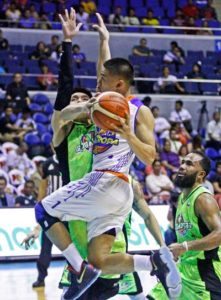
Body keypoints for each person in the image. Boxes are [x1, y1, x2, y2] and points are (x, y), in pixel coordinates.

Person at [35, 8, 181, 300]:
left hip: (106, 180)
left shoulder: (139, 112)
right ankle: (153, 262)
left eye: (102, 80)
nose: (96, 83)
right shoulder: (103, 102)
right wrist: (104, 40)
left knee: (43, 211)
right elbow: (104, 69)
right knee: (101, 260)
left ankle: (78, 269)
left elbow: (151, 157)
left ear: (119, 85)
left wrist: (128, 136)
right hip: (117, 196)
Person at [148, 151, 221, 300]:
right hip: (184, 269)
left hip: (204, 273)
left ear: (201, 175)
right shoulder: (181, 197)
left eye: (189, 164)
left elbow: (219, 234)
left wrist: (184, 247)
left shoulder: (203, 199)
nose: (182, 166)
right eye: (182, 162)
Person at [22, 155, 62, 287]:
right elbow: (43, 190)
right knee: (45, 249)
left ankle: (76, 279)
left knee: (76, 249)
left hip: (69, 211)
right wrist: (38, 221)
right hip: (51, 212)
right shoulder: (48, 164)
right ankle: (41, 278)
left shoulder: (73, 159)